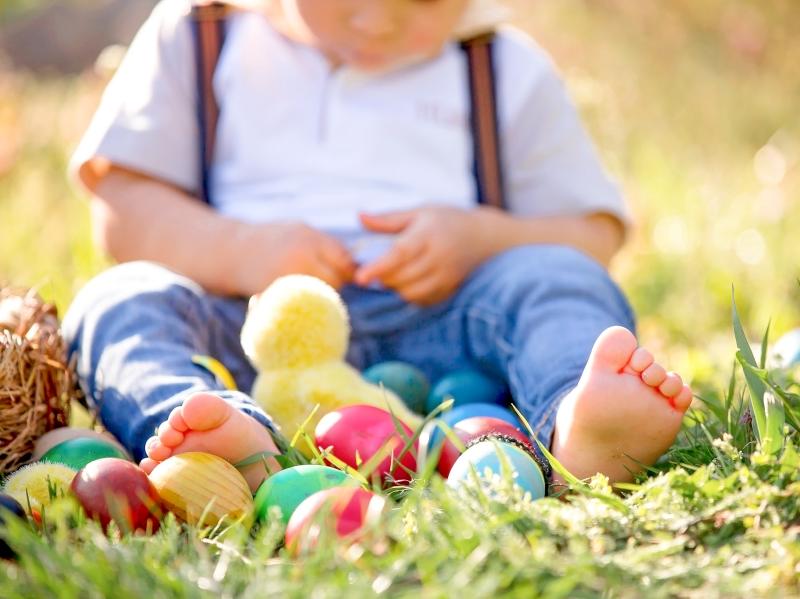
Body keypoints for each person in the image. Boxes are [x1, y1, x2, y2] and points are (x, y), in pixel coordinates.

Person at [64, 0, 692, 493]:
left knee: (555, 275)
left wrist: (481, 238)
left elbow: (593, 232)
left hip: (448, 324)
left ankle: (577, 422)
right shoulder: (201, 33)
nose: (377, 18)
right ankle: (210, 433)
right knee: (119, 300)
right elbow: (122, 208)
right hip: (248, 333)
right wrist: (240, 250)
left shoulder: (498, 64)